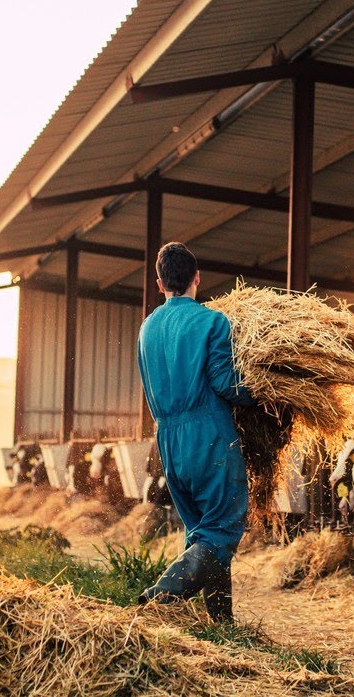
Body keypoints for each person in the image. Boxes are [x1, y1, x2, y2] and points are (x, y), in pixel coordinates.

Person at [135, 242, 254, 622]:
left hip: (168, 441)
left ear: (159, 283)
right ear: (197, 278)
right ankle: (163, 593)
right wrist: (265, 393)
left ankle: (222, 626)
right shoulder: (212, 321)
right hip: (209, 435)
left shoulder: (146, 329)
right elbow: (226, 383)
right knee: (221, 529)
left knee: (202, 532)